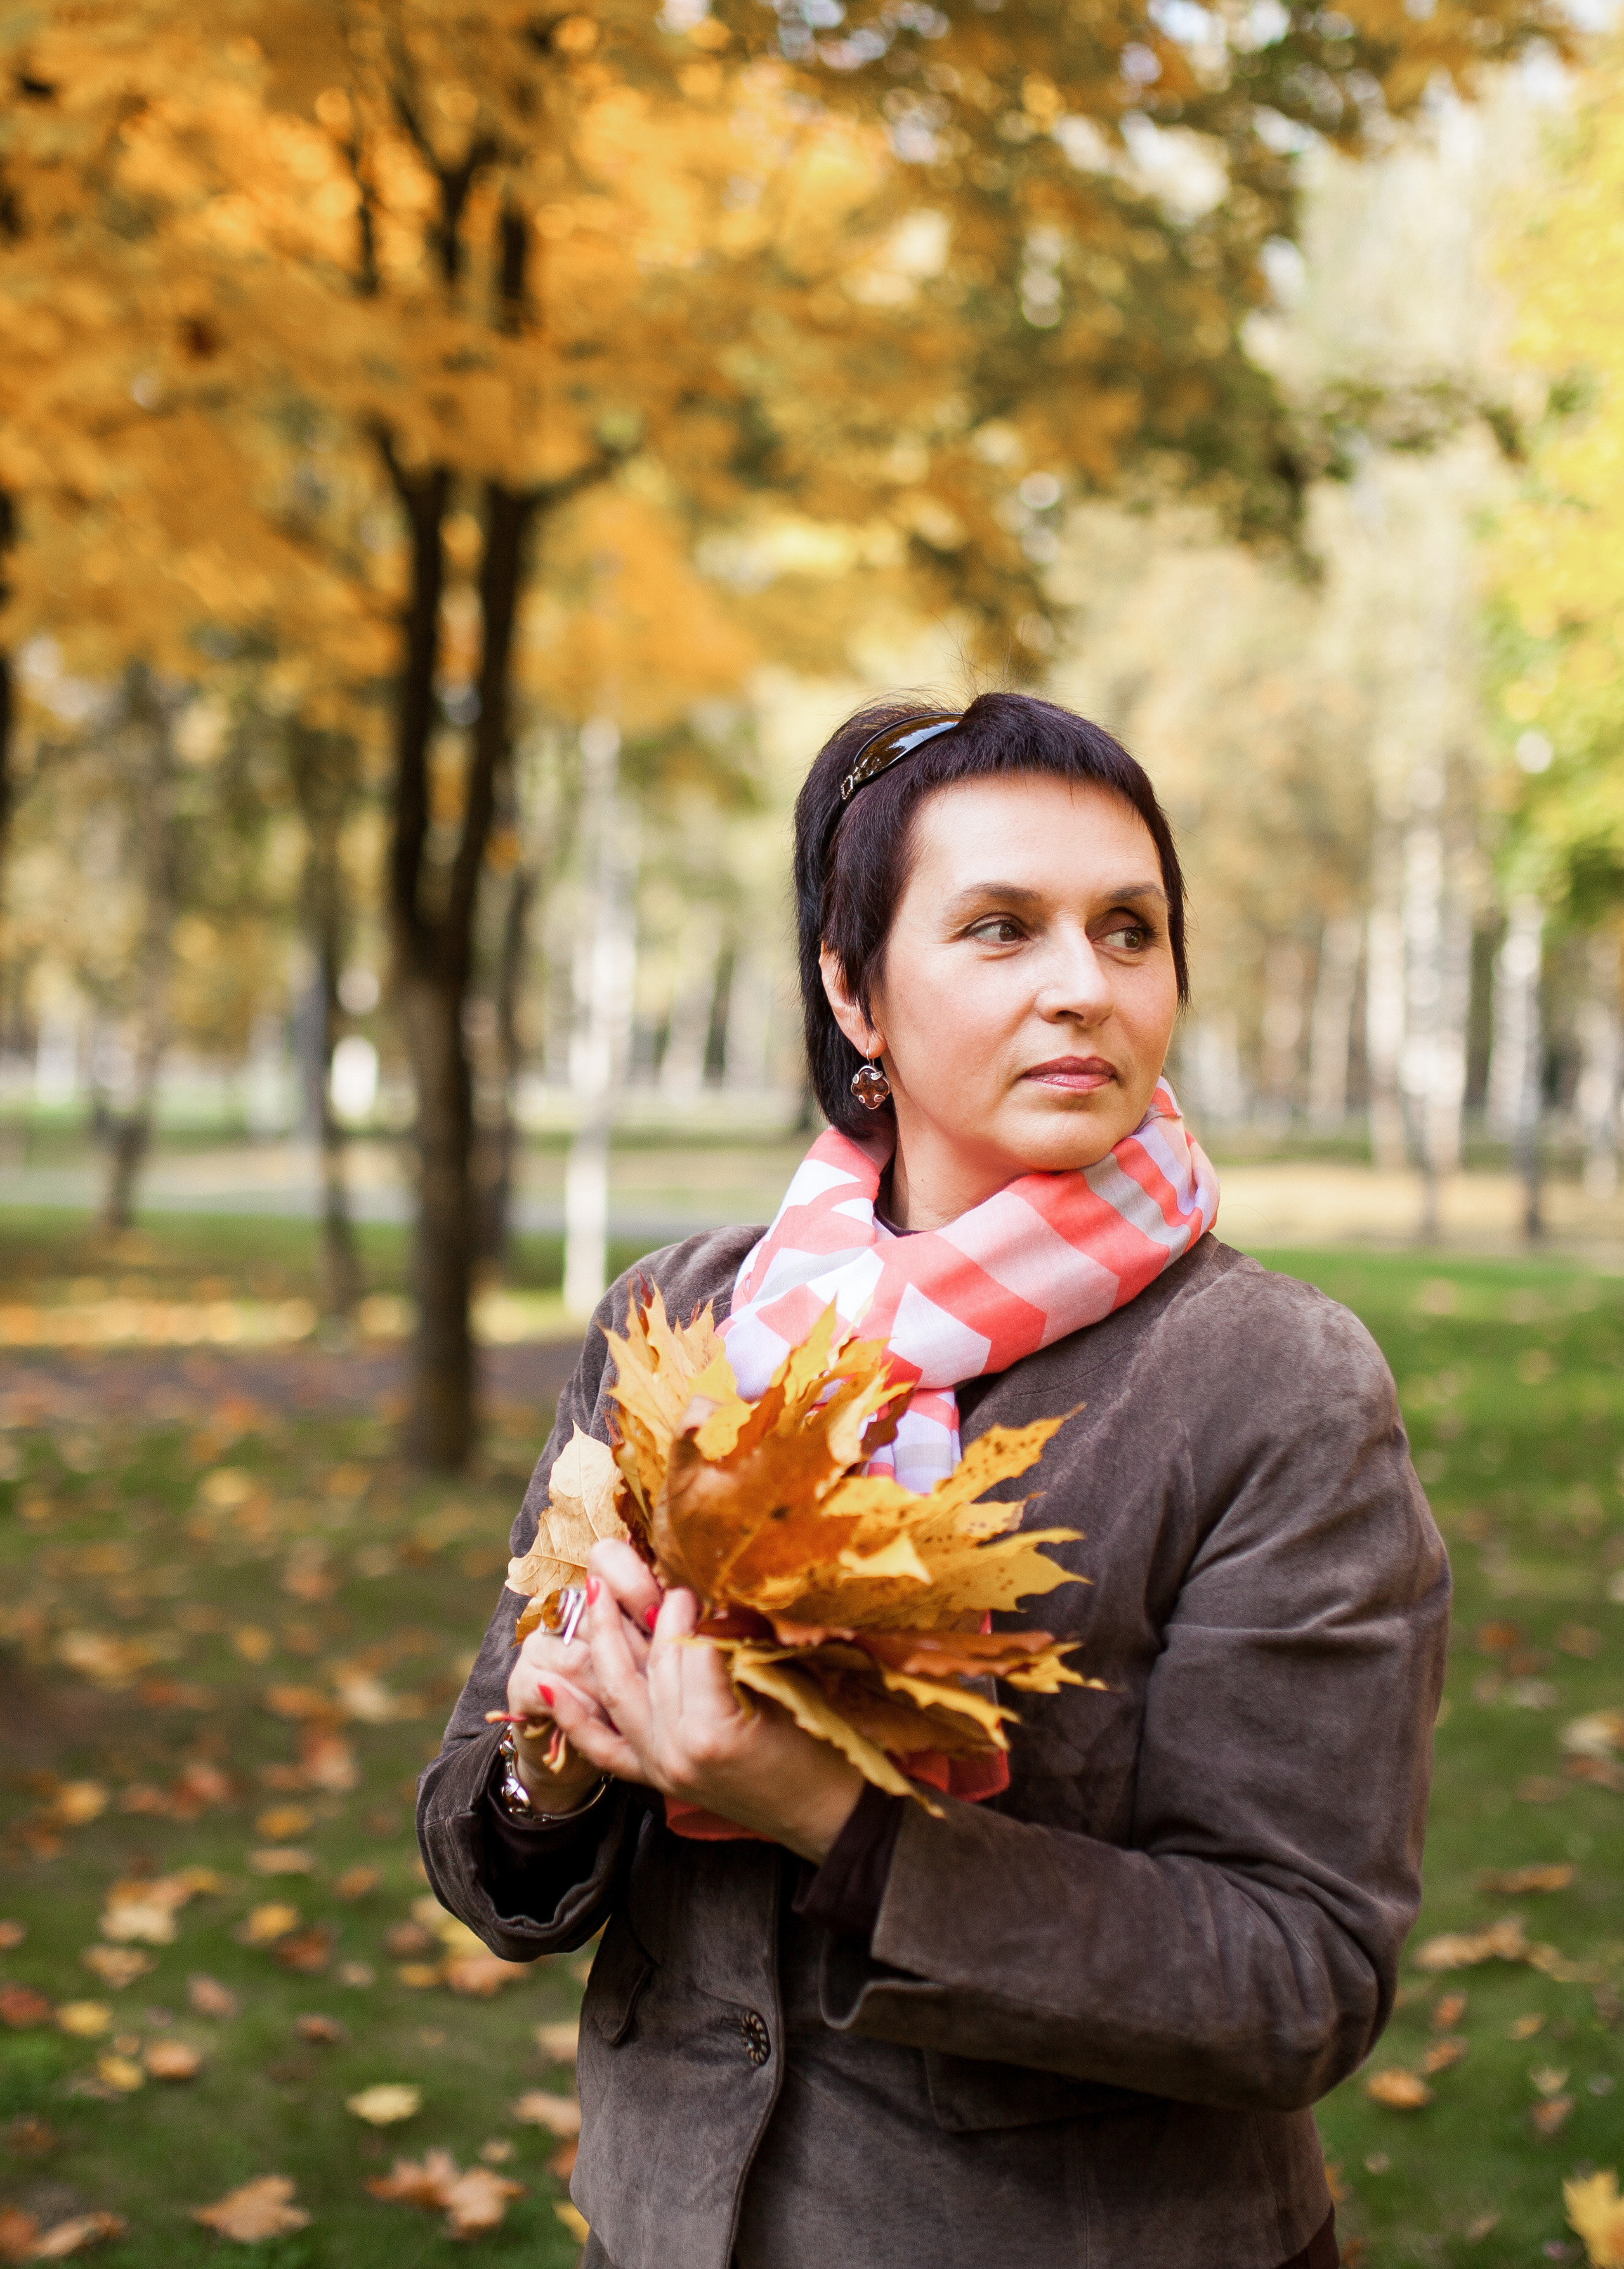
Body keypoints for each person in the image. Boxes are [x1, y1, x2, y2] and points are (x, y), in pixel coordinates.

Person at [419, 691, 1449, 2269]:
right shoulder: (683, 1320)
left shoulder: (1272, 1383)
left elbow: (1293, 1976)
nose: (1080, 985)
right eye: (998, 928)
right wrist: (551, 1772)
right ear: (854, 991)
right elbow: (481, 1835)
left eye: (1127, 929)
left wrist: (824, 1815)